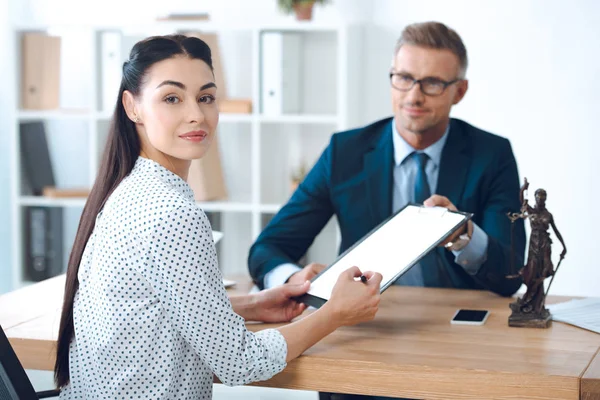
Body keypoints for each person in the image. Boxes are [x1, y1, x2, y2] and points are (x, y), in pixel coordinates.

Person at [53, 34, 382, 399]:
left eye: (206, 97)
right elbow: (239, 362)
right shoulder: (172, 214)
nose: (196, 114)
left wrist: (250, 304)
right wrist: (335, 313)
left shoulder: (126, 190)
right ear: (133, 107)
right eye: (172, 98)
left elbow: (148, 307)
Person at [249, 20, 526, 400]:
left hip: (459, 348)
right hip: (362, 341)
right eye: (403, 78)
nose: (414, 95)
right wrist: (298, 284)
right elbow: (267, 249)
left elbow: (512, 274)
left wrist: (465, 236)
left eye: (432, 83)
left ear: (459, 91)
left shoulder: (491, 155)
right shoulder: (344, 152)